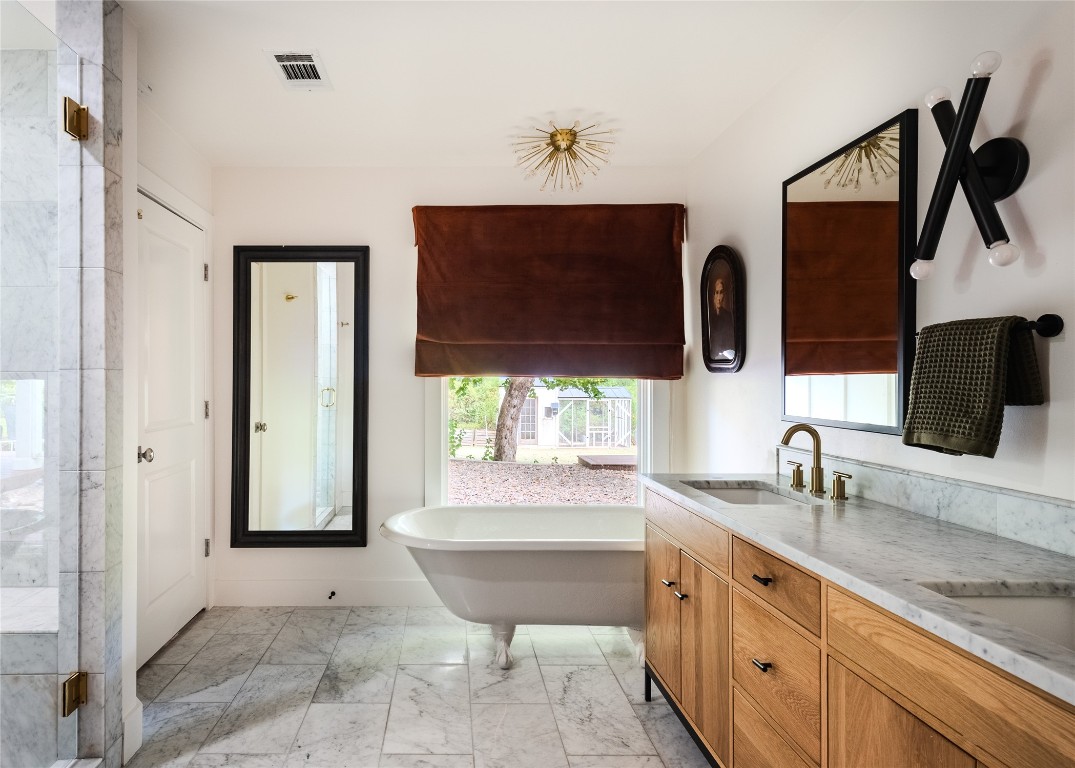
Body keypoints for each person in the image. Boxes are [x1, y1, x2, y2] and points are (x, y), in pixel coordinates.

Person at [708, 272, 735, 360]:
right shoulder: (709, 318)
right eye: (717, 292)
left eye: (721, 293)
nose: (719, 297)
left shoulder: (728, 317)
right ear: (714, 296)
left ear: (724, 295)